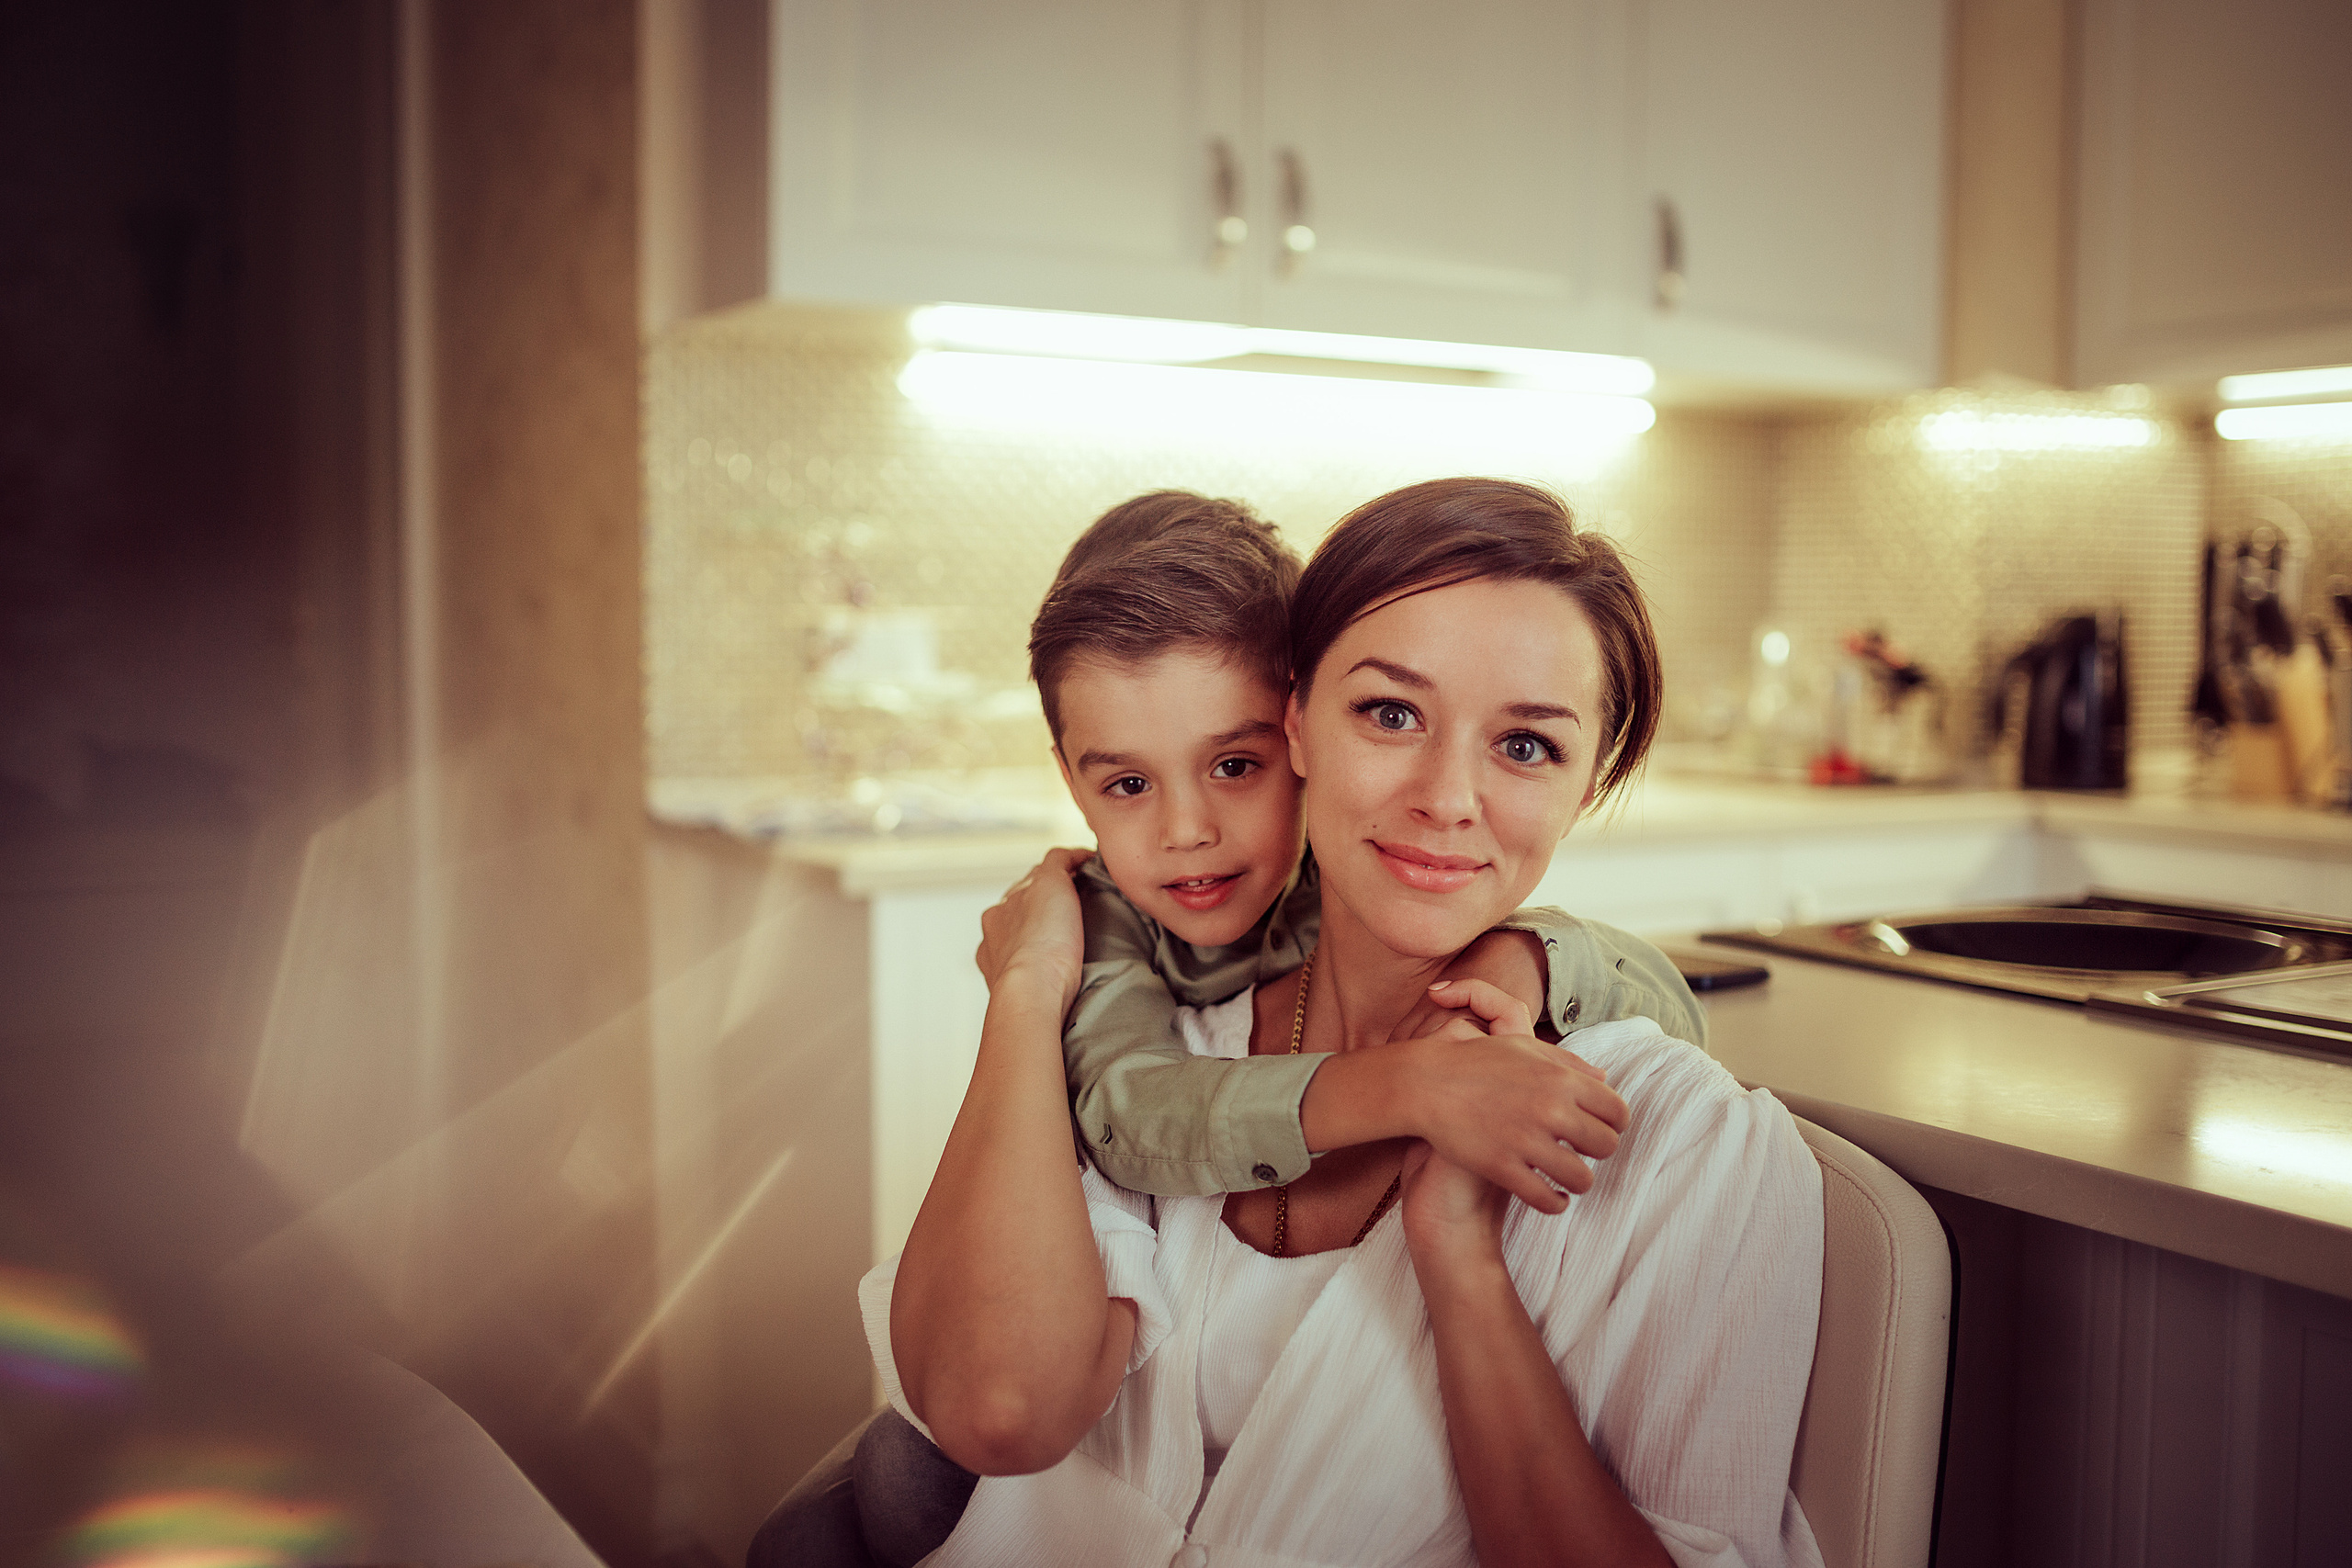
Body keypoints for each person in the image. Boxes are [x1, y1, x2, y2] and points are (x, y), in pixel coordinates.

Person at [872, 478, 1826, 1567]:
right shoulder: (1152, 1016)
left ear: (1589, 780)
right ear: (1303, 720)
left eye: (1526, 746)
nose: (1446, 797)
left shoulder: (1692, 1147)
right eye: (1390, 712)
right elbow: (998, 1396)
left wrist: (1457, 1241)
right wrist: (1029, 984)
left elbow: (1649, 986)